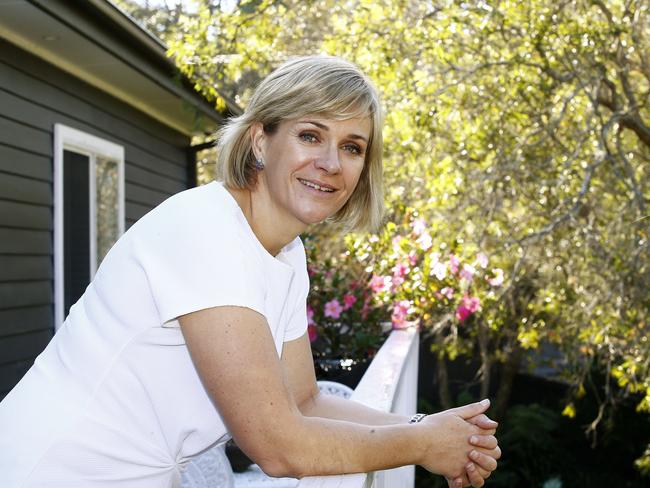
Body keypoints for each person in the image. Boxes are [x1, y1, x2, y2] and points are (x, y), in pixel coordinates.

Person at [0, 55, 500, 488]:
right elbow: (277, 445)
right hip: (49, 470)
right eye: (310, 135)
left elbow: (304, 401)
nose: (331, 162)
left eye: (352, 147)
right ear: (261, 141)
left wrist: (426, 426)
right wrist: (420, 443)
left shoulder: (284, 254)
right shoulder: (206, 229)